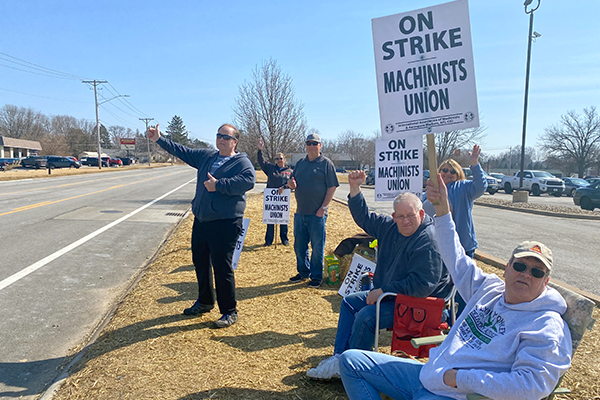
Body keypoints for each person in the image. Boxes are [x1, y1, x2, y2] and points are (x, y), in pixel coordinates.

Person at [338, 172, 572, 400]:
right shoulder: (490, 290)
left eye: (537, 271)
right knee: (351, 361)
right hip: (427, 376)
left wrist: (459, 379)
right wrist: (442, 209)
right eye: (520, 267)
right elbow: (456, 259)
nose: (526, 275)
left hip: (456, 393)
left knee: (368, 317)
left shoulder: (546, 325)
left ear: (546, 281)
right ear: (507, 268)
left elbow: (531, 387)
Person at [306, 170, 452, 381]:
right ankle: (340, 359)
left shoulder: (428, 241)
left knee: (366, 317)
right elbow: (365, 217)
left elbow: (422, 285)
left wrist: (384, 291)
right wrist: (355, 189)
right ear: (394, 217)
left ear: (420, 214)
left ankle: (356, 370)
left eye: (410, 215)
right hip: (393, 297)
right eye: (400, 216)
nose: (405, 221)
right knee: (349, 303)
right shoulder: (390, 227)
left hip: (421, 304)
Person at [146, 123, 255, 328]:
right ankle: (205, 302)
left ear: (235, 142)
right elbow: (183, 151)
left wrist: (219, 186)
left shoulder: (241, 162)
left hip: (225, 223)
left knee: (222, 268)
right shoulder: (207, 157)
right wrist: (159, 139)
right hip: (202, 220)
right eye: (218, 136)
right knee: (201, 262)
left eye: (226, 137)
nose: (221, 139)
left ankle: (229, 311)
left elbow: (248, 181)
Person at [287, 133, 339, 288]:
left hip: (317, 214)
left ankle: (316, 276)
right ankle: (303, 272)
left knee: (317, 247)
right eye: (308, 143)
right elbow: (294, 183)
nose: (311, 146)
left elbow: (332, 187)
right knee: (299, 245)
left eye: (314, 143)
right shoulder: (301, 163)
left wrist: (323, 208)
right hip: (300, 212)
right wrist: (291, 185)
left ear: (320, 145)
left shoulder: (326, 164)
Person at [423, 145, 487, 258]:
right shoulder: (430, 190)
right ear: (439, 171)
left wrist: (474, 164)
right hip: (434, 245)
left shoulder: (464, 187)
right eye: (445, 170)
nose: (448, 173)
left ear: (458, 174)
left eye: (453, 171)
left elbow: (480, 187)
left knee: (460, 276)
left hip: (462, 245)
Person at [257, 138, 292, 246]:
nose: (278, 160)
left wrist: (284, 187)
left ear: (284, 159)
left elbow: (292, 183)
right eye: (276, 159)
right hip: (271, 198)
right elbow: (261, 162)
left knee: (283, 219)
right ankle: (268, 240)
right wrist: (259, 150)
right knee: (270, 219)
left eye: (280, 158)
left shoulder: (290, 171)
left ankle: (284, 239)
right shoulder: (271, 168)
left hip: (283, 199)